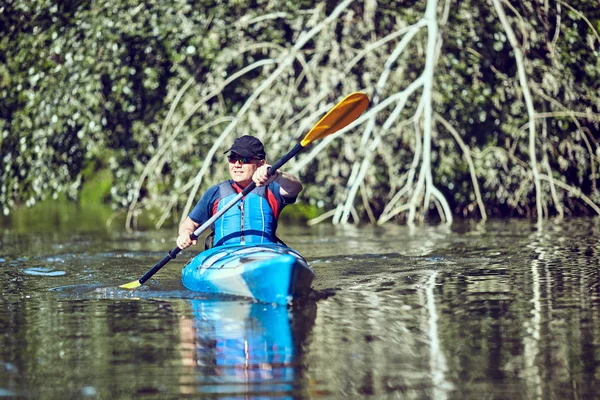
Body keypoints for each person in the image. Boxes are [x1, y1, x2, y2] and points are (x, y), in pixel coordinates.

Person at [176, 135, 303, 250]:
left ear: (261, 163)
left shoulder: (273, 188)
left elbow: (295, 188)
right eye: (232, 158)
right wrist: (186, 232)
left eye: (244, 160)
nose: (237, 164)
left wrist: (278, 175)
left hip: (264, 254)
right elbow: (191, 222)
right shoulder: (215, 192)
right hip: (223, 258)